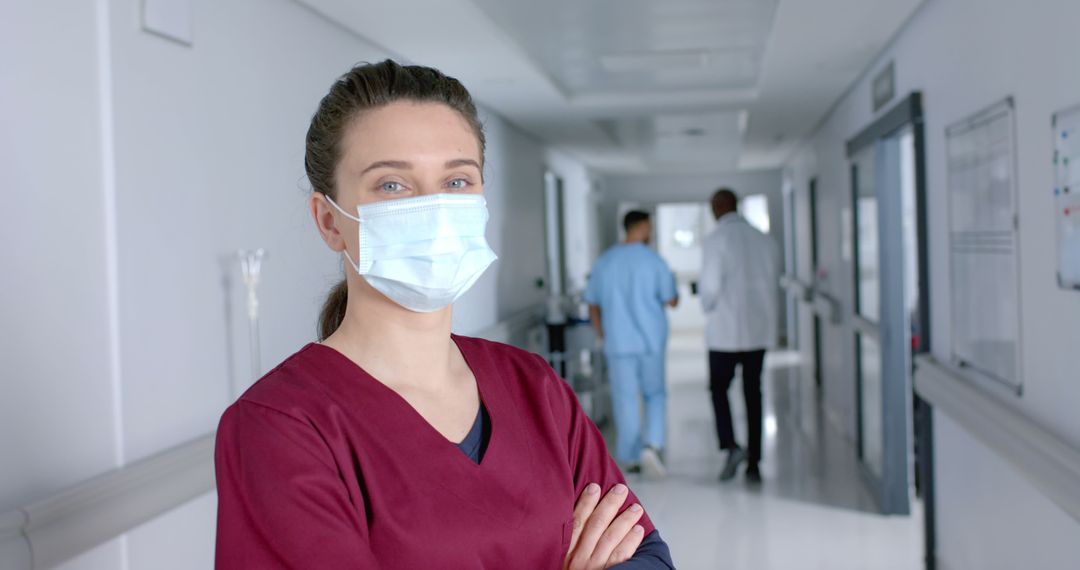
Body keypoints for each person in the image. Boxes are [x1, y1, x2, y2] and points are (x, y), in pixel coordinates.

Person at [213, 61, 674, 569]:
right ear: (329, 221)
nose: (433, 209)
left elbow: (644, 554)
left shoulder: (532, 386)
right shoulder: (280, 429)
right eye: (392, 185)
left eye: (457, 181)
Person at [585, 211, 678, 480]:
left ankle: (629, 456)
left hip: (618, 341)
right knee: (655, 394)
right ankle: (652, 444)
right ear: (643, 227)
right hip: (650, 341)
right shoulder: (654, 261)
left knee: (624, 397)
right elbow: (670, 299)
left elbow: (592, 303)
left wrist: (603, 333)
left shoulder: (605, 262)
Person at [699, 189, 780, 484]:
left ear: (718, 208)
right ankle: (754, 462)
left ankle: (731, 446)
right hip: (758, 331)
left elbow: (709, 287)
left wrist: (706, 305)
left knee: (718, 389)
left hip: (724, 333)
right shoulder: (764, 239)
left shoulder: (715, 240)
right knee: (753, 392)